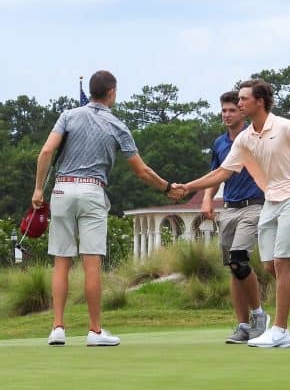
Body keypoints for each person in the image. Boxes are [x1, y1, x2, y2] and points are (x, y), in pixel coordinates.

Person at [179, 79, 290, 348]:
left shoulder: (284, 127)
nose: (239, 104)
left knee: (283, 263)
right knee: (270, 265)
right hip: (271, 200)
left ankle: (280, 331)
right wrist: (187, 187)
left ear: (259, 101)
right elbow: (222, 172)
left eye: (244, 99)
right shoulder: (245, 138)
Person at [32, 70, 181, 347]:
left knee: (61, 262)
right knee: (91, 264)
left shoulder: (68, 116)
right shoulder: (117, 125)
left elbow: (45, 152)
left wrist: (39, 189)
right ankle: (95, 330)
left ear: (91, 91)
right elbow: (141, 171)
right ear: (111, 92)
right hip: (92, 191)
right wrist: (167, 187)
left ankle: (58, 328)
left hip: (63, 189)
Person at [201, 90, 269, 344]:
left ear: (242, 111)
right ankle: (242, 325)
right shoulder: (219, 143)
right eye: (223, 111)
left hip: (254, 205)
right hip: (229, 207)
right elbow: (216, 174)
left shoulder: (254, 137)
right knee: (233, 267)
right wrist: (207, 198)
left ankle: (259, 316)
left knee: (239, 260)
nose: (227, 114)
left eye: (232, 110)